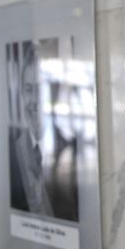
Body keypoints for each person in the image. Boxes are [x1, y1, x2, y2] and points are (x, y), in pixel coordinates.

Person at [8, 42, 79, 222]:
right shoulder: (11, 150)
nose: (33, 100)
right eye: (28, 89)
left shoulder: (71, 148)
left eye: (39, 90)